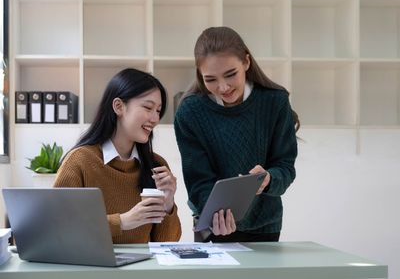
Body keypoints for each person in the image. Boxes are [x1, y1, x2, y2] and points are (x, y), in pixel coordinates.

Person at [174, 26, 299, 242]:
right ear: (200, 75)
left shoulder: (274, 102)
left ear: (247, 63)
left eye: (231, 74)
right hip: (211, 227)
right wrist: (215, 217)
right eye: (210, 79)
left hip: (264, 226)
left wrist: (268, 179)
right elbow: (198, 181)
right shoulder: (190, 112)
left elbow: (285, 167)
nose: (223, 87)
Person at [54, 68, 182, 244]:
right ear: (118, 106)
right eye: (148, 107)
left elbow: (168, 243)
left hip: (140, 271)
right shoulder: (80, 161)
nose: (155, 118)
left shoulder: (157, 165)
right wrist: (122, 222)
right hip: (92, 269)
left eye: (158, 111)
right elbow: (58, 228)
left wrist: (168, 203)